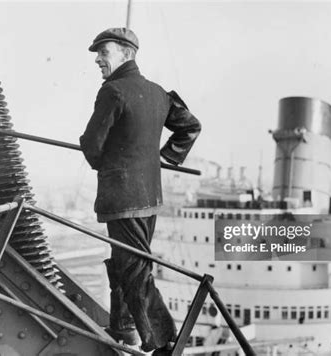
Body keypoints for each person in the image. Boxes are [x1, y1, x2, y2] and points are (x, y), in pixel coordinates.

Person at [79, 28, 201, 355]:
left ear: (125, 53)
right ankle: (123, 327)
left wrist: (108, 163)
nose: (97, 59)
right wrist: (165, 157)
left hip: (122, 199)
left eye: (103, 52)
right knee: (129, 262)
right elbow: (190, 126)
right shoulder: (159, 93)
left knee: (134, 271)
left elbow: (92, 145)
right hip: (150, 198)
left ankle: (164, 342)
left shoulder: (114, 92)